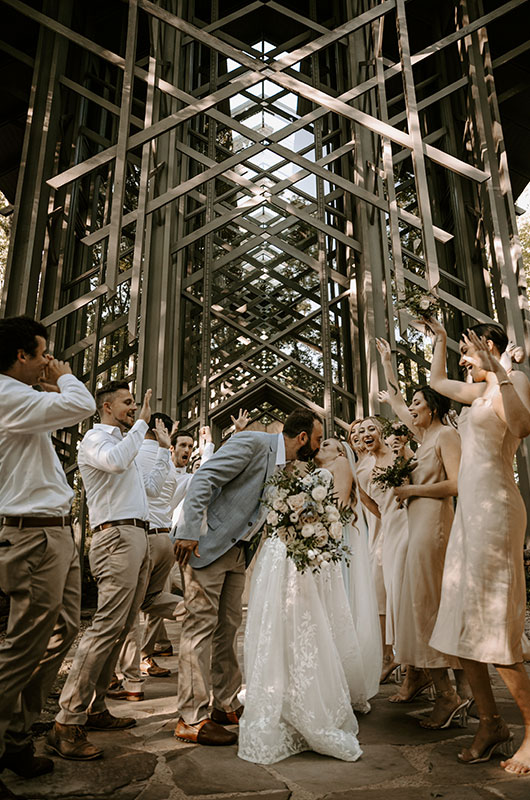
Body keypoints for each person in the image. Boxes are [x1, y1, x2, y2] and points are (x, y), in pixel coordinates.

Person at [172, 408, 323, 746]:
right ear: (302, 438)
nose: (318, 445)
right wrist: (189, 531)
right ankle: (191, 718)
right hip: (205, 546)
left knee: (228, 626)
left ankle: (223, 704)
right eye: (316, 439)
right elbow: (205, 477)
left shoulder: (285, 466)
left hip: (239, 552)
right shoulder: (253, 443)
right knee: (200, 627)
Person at [47, 381, 171, 761]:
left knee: (122, 626)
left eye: (135, 404)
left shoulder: (124, 442)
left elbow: (150, 489)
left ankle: (96, 706)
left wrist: (163, 451)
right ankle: (66, 721)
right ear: (106, 406)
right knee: (106, 625)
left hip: (138, 533)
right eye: (128, 402)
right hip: (115, 536)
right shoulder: (95, 441)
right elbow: (115, 462)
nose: (134, 408)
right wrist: (141, 425)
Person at [238, 437, 382, 764]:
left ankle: (318, 691)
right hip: (293, 544)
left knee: (311, 619)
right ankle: (286, 684)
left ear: (340, 452)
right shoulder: (306, 469)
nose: (322, 445)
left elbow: (339, 507)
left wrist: (307, 517)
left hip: (311, 544)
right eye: (321, 440)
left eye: (328, 442)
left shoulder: (339, 466)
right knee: (291, 619)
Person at [427, 320, 530, 773]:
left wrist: (501, 371)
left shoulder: (513, 381)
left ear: (489, 347)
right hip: (470, 516)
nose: (463, 363)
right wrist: (441, 344)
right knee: (463, 621)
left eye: (467, 353)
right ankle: (491, 724)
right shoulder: (474, 394)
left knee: (494, 625)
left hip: (496, 511)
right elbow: (434, 382)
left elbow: (523, 426)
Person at [0, 316, 96, 799]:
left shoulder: (20, 398)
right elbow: (81, 404)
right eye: (43, 354)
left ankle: (15, 738)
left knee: (62, 631)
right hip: (32, 535)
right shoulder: (6, 395)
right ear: (22, 355)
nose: (48, 363)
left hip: (54, 533)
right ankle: (5, 742)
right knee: (21, 648)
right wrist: (63, 377)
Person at [376, 338, 470, 725]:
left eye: (417, 404)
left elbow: (457, 485)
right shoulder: (423, 438)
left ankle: (451, 694)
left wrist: (411, 489)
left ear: (432, 408)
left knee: (430, 605)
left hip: (434, 527)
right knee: (419, 605)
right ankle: (449, 690)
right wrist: (386, 363)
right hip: (416, 526)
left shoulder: (446, 436)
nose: (410, 409)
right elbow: (396, 402)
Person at [110, 412, 191, 701]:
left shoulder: (139, 454)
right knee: (153, 599)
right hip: (164, 536)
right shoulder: (168, 462)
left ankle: (131, 681)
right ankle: (196, 611)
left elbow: (146, 490)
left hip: (145, 537)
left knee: (131, 610)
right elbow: (170, 499)